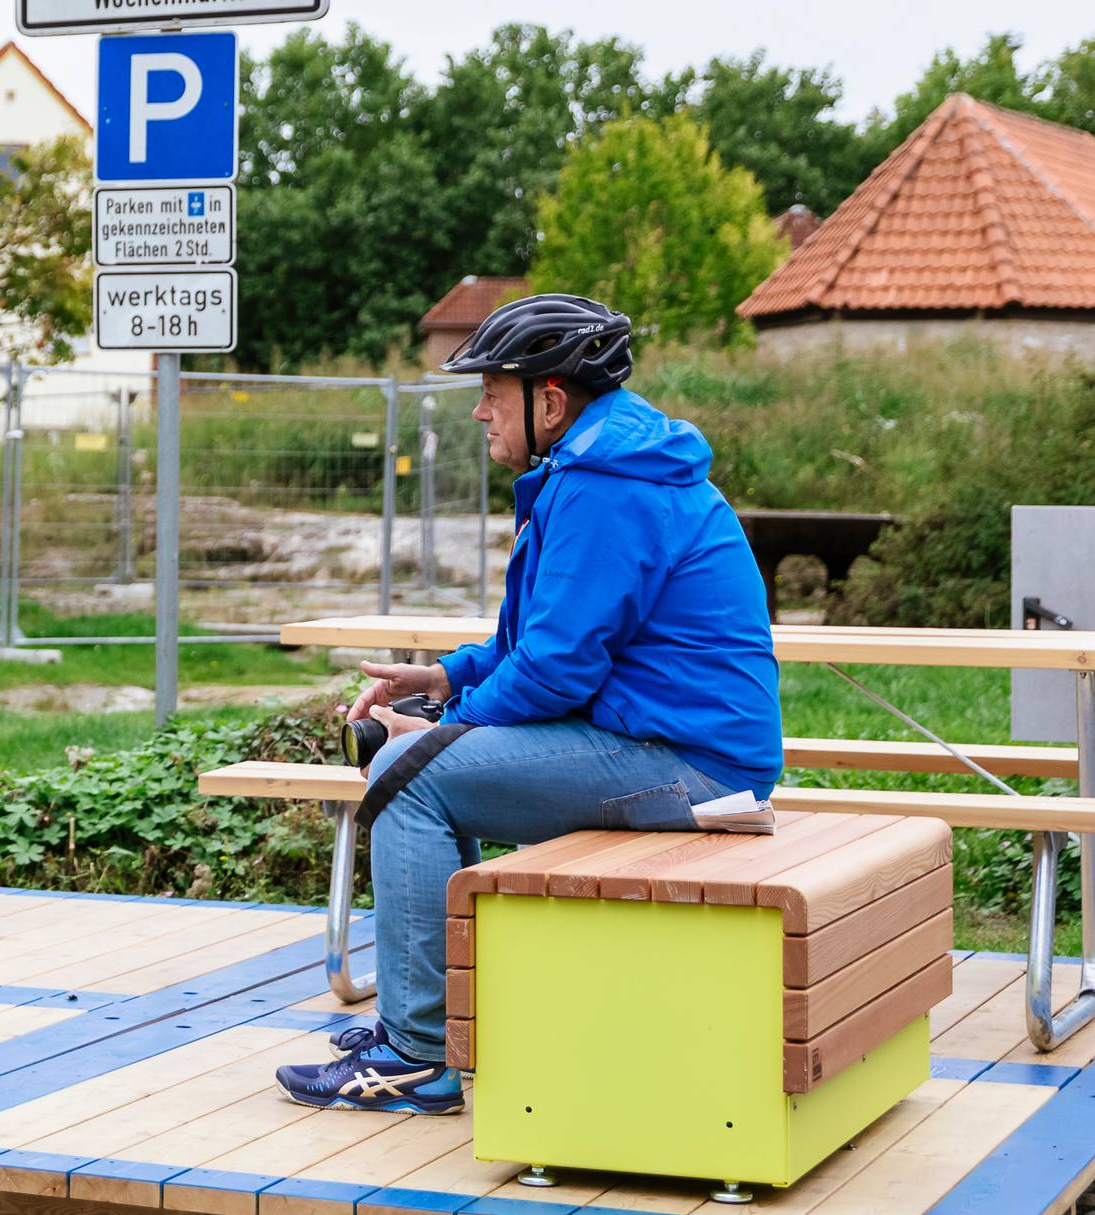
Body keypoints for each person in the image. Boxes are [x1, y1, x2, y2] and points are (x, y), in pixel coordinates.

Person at [274, 293, 781, 1115]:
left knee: (409, 774)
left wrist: (438, 732)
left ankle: (417, 1058)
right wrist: (442, 681)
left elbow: (554, 672)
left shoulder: (609, 488)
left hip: (694, 768)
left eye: (490, 393)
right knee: (423, 761)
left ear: (549, 400)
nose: (479, 412)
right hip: (668, 745)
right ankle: (442, 1026)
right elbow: (536, 644)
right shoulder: (599, 469)